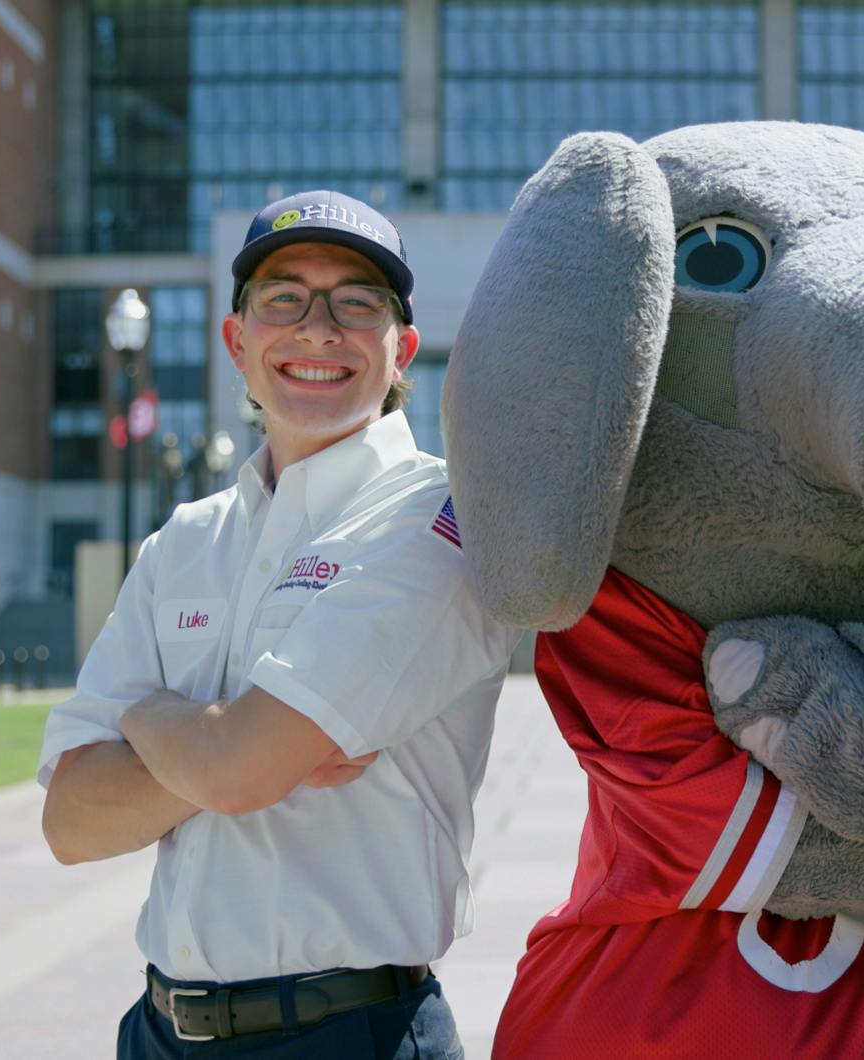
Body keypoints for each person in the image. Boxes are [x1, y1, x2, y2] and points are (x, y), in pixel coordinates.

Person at [37, 190, 518, 1058]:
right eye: (283, 299)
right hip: (157, 1032)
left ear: (400, 346)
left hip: (348, 1032)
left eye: (357, 303)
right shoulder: (185, 541)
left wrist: (147, 720)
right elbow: (71, 822)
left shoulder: (435, 522)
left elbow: (238, 771)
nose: (319, 329)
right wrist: (222, 746)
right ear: (238, 343)